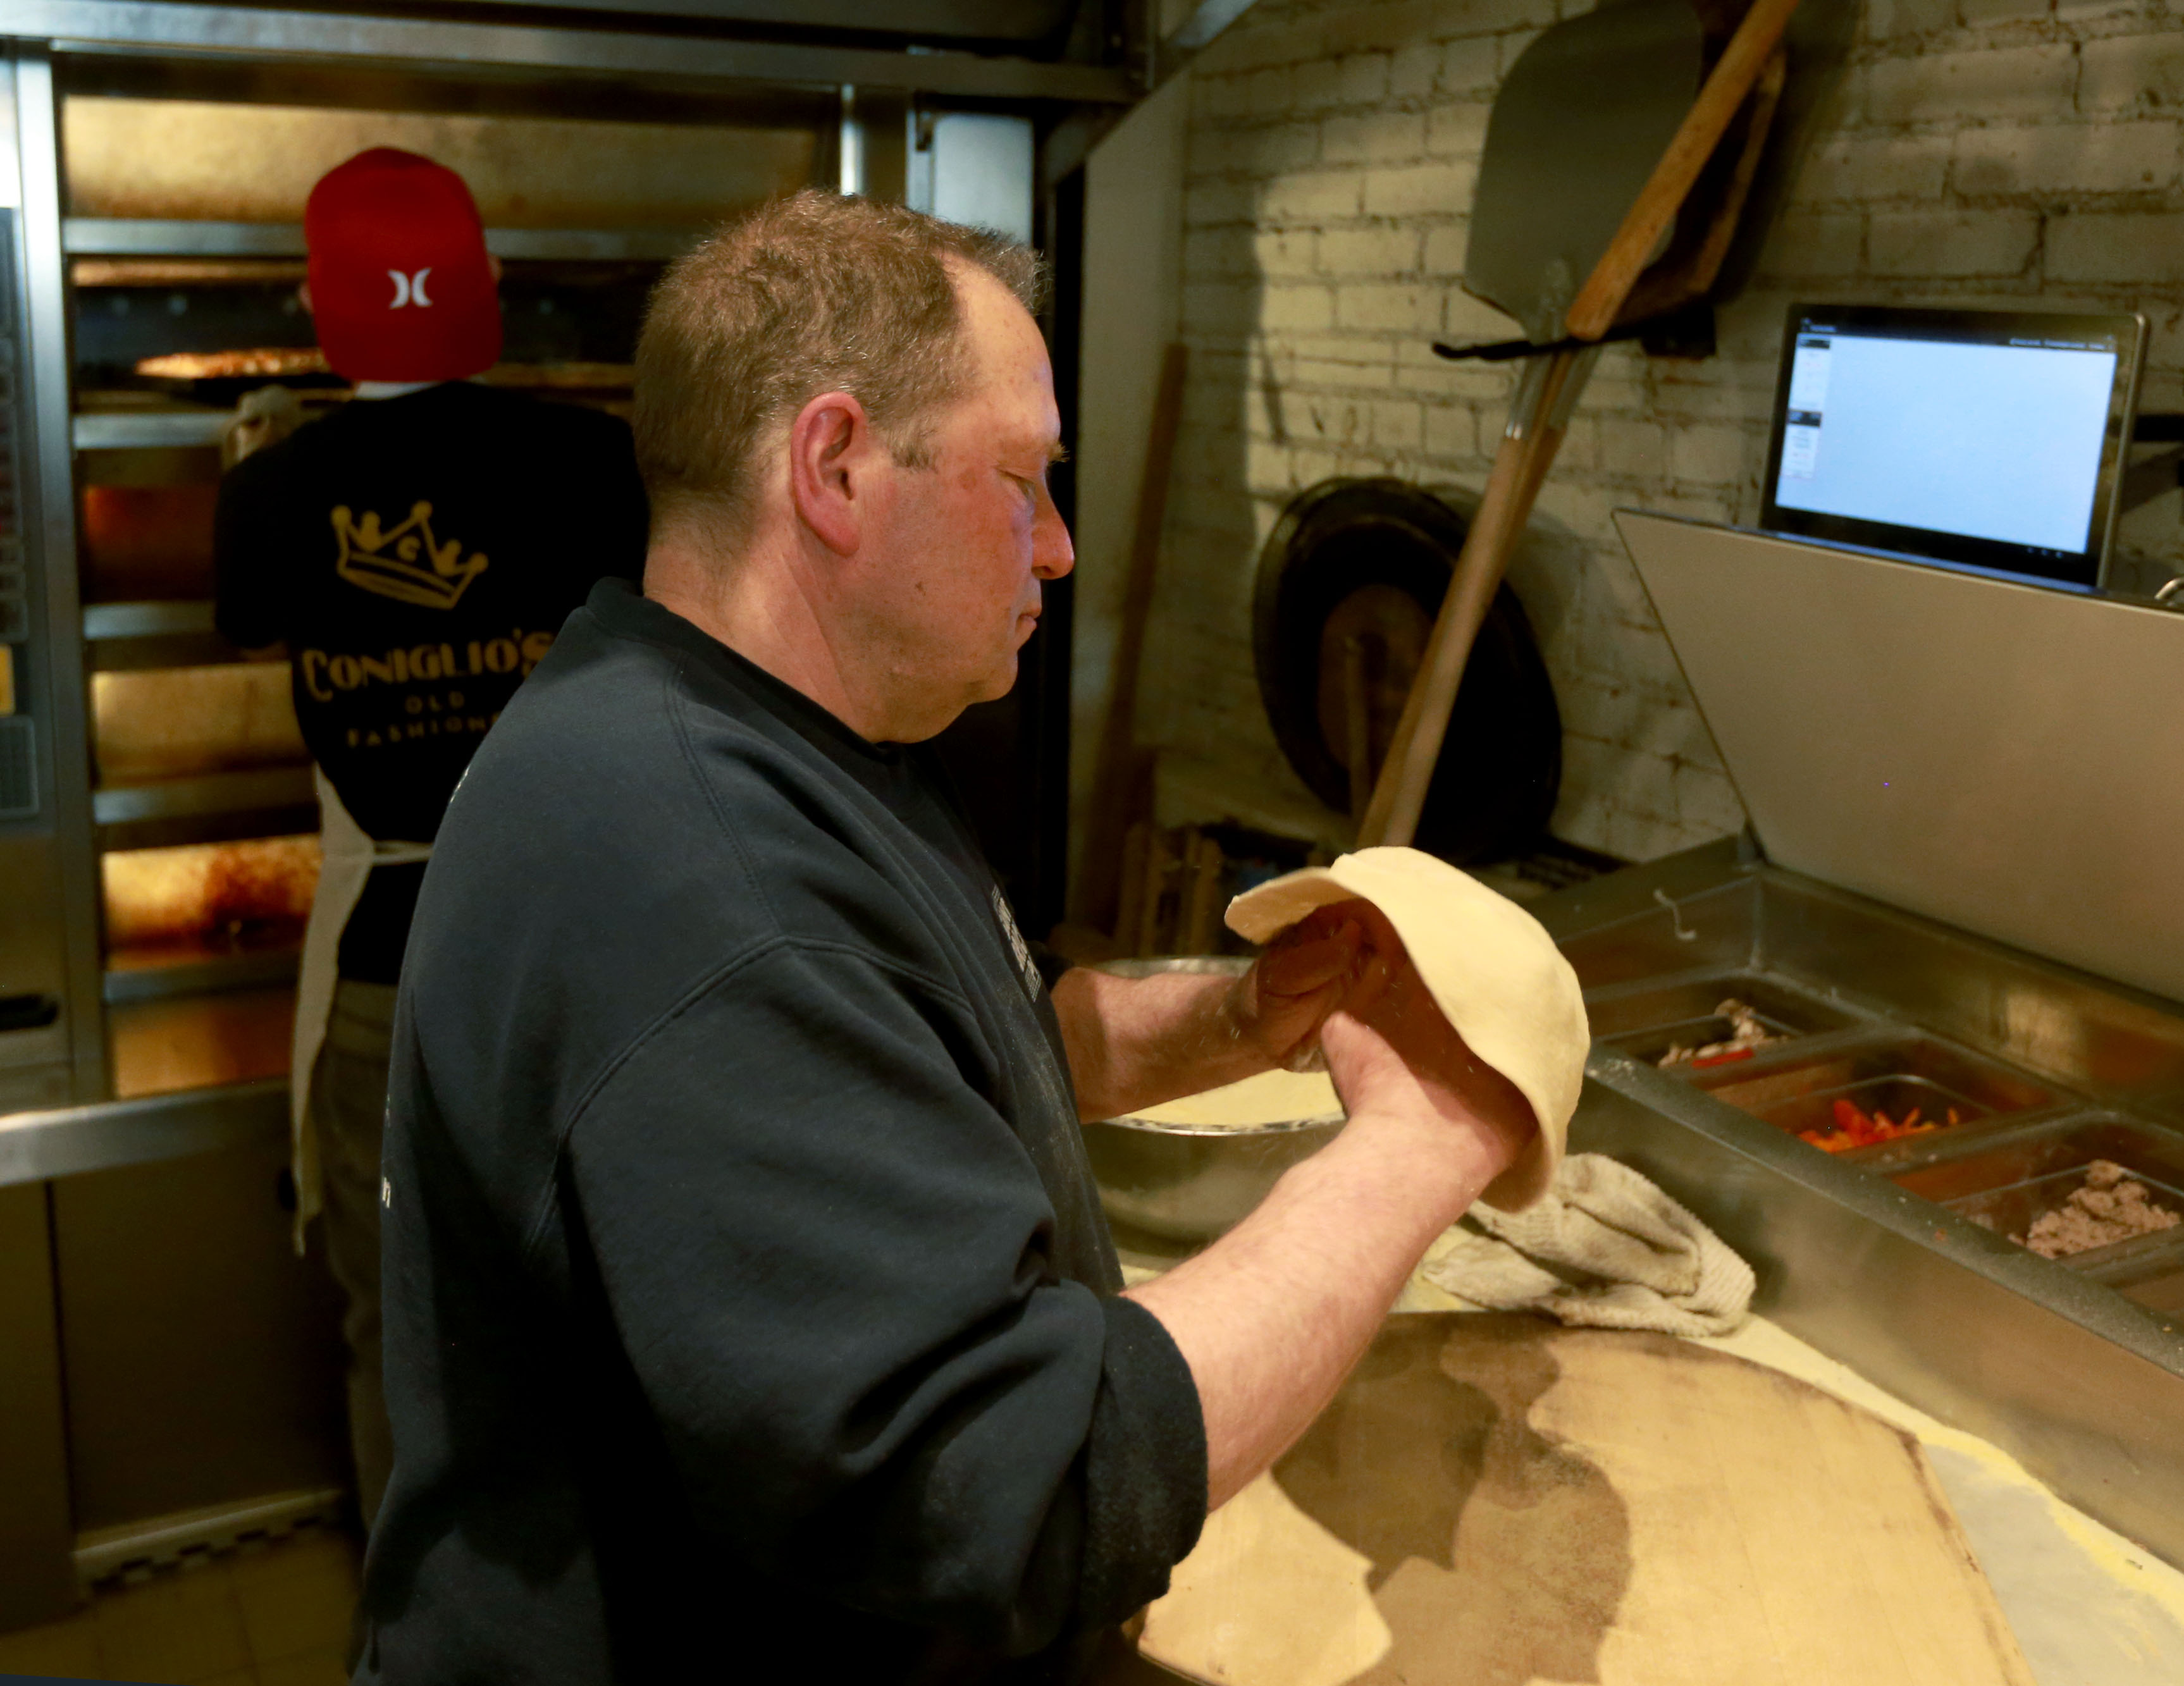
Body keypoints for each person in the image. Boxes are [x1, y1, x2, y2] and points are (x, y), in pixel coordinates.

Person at [360, 192, 1536, 1684]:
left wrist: (1240, 1016)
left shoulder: (769, 728)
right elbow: (1019, 1488)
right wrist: (1427, 1133)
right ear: (836, 467)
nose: (1053, 547)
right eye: (1021, 481)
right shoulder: (701, 888)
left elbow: (936, 1040)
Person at [212, 147, 648, 1534]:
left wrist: (256, 458)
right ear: (491, 289)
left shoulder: (275, 493)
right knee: (590, 1306)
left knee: (399, 1324)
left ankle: (430, 1627)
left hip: (390, 974)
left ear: (313, 299)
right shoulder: (590, 459)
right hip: (574, 964)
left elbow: (239, 614)